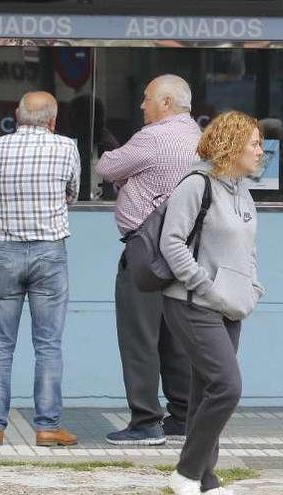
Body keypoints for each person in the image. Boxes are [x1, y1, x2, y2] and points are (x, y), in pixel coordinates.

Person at [161, 111, 265, 495]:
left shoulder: (242, 190)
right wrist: (203, 284)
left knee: (207, 391)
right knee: (226, 387)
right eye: (254, 142)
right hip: (192, 304)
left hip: (230, 307)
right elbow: (171, 242)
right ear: (232, 143)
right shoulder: (195, 184)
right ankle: (187, 473)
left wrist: (252, 286)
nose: (260, 150)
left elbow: (248, 246)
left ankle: (205, 480)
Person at [95, 74, 199, 445]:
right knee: (177, 336)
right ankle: (183, 416)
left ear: (167, 102)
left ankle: (145, 421)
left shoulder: (153, 138)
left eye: (146, 98)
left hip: (146, 250)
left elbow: (106, 167)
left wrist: (126, 179)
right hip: (188, 251)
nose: (142, 105)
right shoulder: (201, 140)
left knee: (140, 336)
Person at [0, 91, 80, 447]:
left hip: (3, 250)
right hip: (50, 252)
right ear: (53, 119)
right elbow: (72, 193)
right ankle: (48, 426)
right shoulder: (66, 147)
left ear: (17, 116)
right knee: (48, 343)